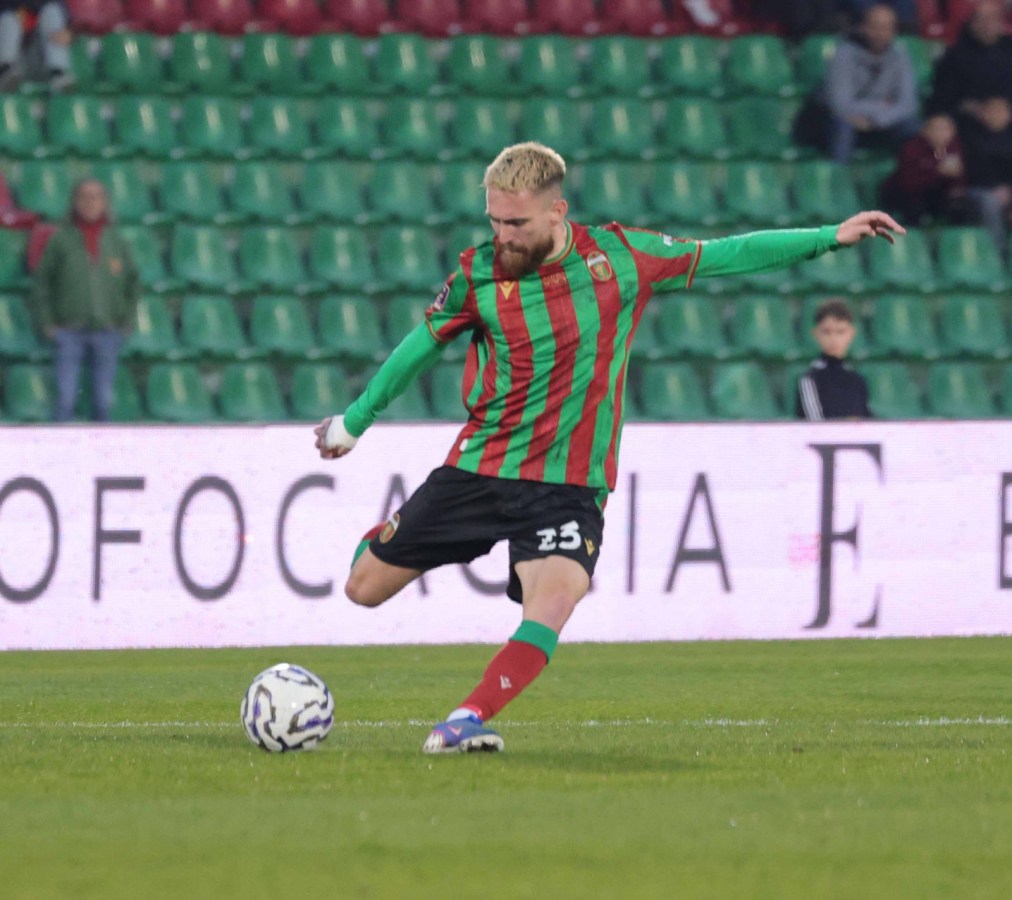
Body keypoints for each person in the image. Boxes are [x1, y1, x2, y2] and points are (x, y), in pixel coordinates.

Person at [313, 142, 904, 755]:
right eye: (493, 220)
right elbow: (417, 347)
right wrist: (354, 424)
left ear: (556, 212)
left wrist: (829, 237)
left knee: (557, 597)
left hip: (569, 486)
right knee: (364, 588)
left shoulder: (621, 258)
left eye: (515, 223)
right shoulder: (477, 275)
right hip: (479, 470)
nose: (502, 235)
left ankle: (465, 719)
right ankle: (390, 536)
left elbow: (729, 254)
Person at [31, 179, 140, 422]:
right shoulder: (60, 241)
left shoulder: (117, 242)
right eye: (84, 196)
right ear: (74, 202)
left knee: (103, 402)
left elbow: (134, 284)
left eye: (96, 196)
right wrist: (47, 324)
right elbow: (42, 285)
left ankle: (102, 457)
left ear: (105, 202)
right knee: (65, 400)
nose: (90, 202)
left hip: (108, 331)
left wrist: (127, 323)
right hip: (68, 332)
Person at [928, 0, 1012, 254]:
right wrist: (974, 110)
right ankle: (996, 263)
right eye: (983, 20)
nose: (989, 26)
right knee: (988, 203)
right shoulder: (954, 59)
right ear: (972, 23)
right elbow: (940, 106)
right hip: (974, 165)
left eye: (994, 20)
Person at [822, 3, 921, 163]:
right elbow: (840, 104)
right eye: (876, 27)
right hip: (851, 124)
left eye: (887, 28)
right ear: (863, 28)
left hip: (883, 123)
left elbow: (909, 104)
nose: (881, 34)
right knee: (842, 127)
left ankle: (906, 183)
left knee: (914, 127)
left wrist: (877, 119)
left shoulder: (900, 56)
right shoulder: (843, 55)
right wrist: (881, 107)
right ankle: (837, 181)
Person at [879, 113, 968, 225]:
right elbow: (908, 182)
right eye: (937, 129)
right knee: (914, 205)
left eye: (946, 128)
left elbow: (959, 177)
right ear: (925, 131)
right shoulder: (912, 148)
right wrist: (937, 172)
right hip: (907, 194)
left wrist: (957, 184)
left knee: (961, 204)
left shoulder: (955, 148)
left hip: (938, 195)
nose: (941, 133)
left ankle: (958, 239)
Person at [795, 298, 872, 421]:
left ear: (851, 334)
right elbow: (815, 427)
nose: (833, 339)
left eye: (840, 332)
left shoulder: (857, 381)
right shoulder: (809, 380)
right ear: (816, 334)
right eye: (826, 332)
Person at [0, 1, 73, 92]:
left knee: (52, 11)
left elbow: (70, 29)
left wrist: (70, 33)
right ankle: (5, 72)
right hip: (15, 61)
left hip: (42, 59)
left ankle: (58, 74)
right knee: (8, 19)